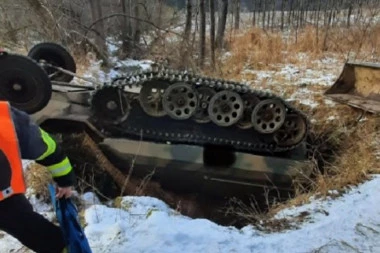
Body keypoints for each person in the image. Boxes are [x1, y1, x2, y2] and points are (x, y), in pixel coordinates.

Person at [0, 100, 76, 253]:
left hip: (5, 200)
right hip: (6, 199)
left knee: (39, 234)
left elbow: (47, 148)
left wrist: (65, 180)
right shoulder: (5, 116)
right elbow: (48, 148)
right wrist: (65, 180)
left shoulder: (5, 117)